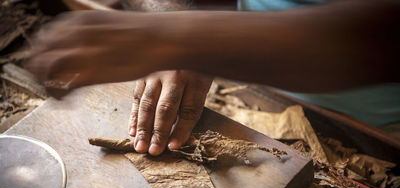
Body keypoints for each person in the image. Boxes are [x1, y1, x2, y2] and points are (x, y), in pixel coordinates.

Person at [27, 0, 400, 156]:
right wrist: (169, 16)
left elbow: (381, 40)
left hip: (380, 125)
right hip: (240, 73)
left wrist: (184, 40)